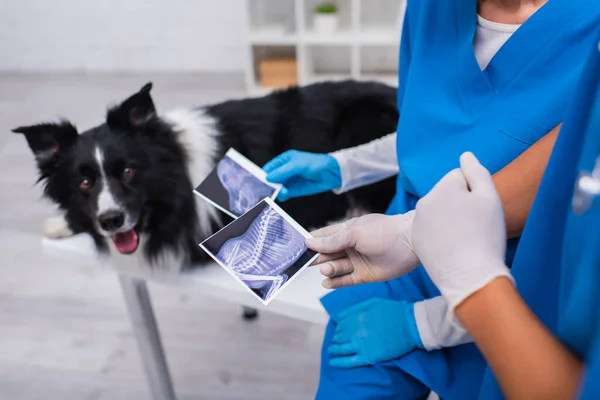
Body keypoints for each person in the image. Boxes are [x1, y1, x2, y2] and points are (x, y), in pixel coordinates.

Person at [263, 0, 600, 398]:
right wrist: (343, 168)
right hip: (401, 244)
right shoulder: (427, 9)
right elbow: (433, 131)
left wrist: (422, 324)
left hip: (523, 279)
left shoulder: (588, 36)